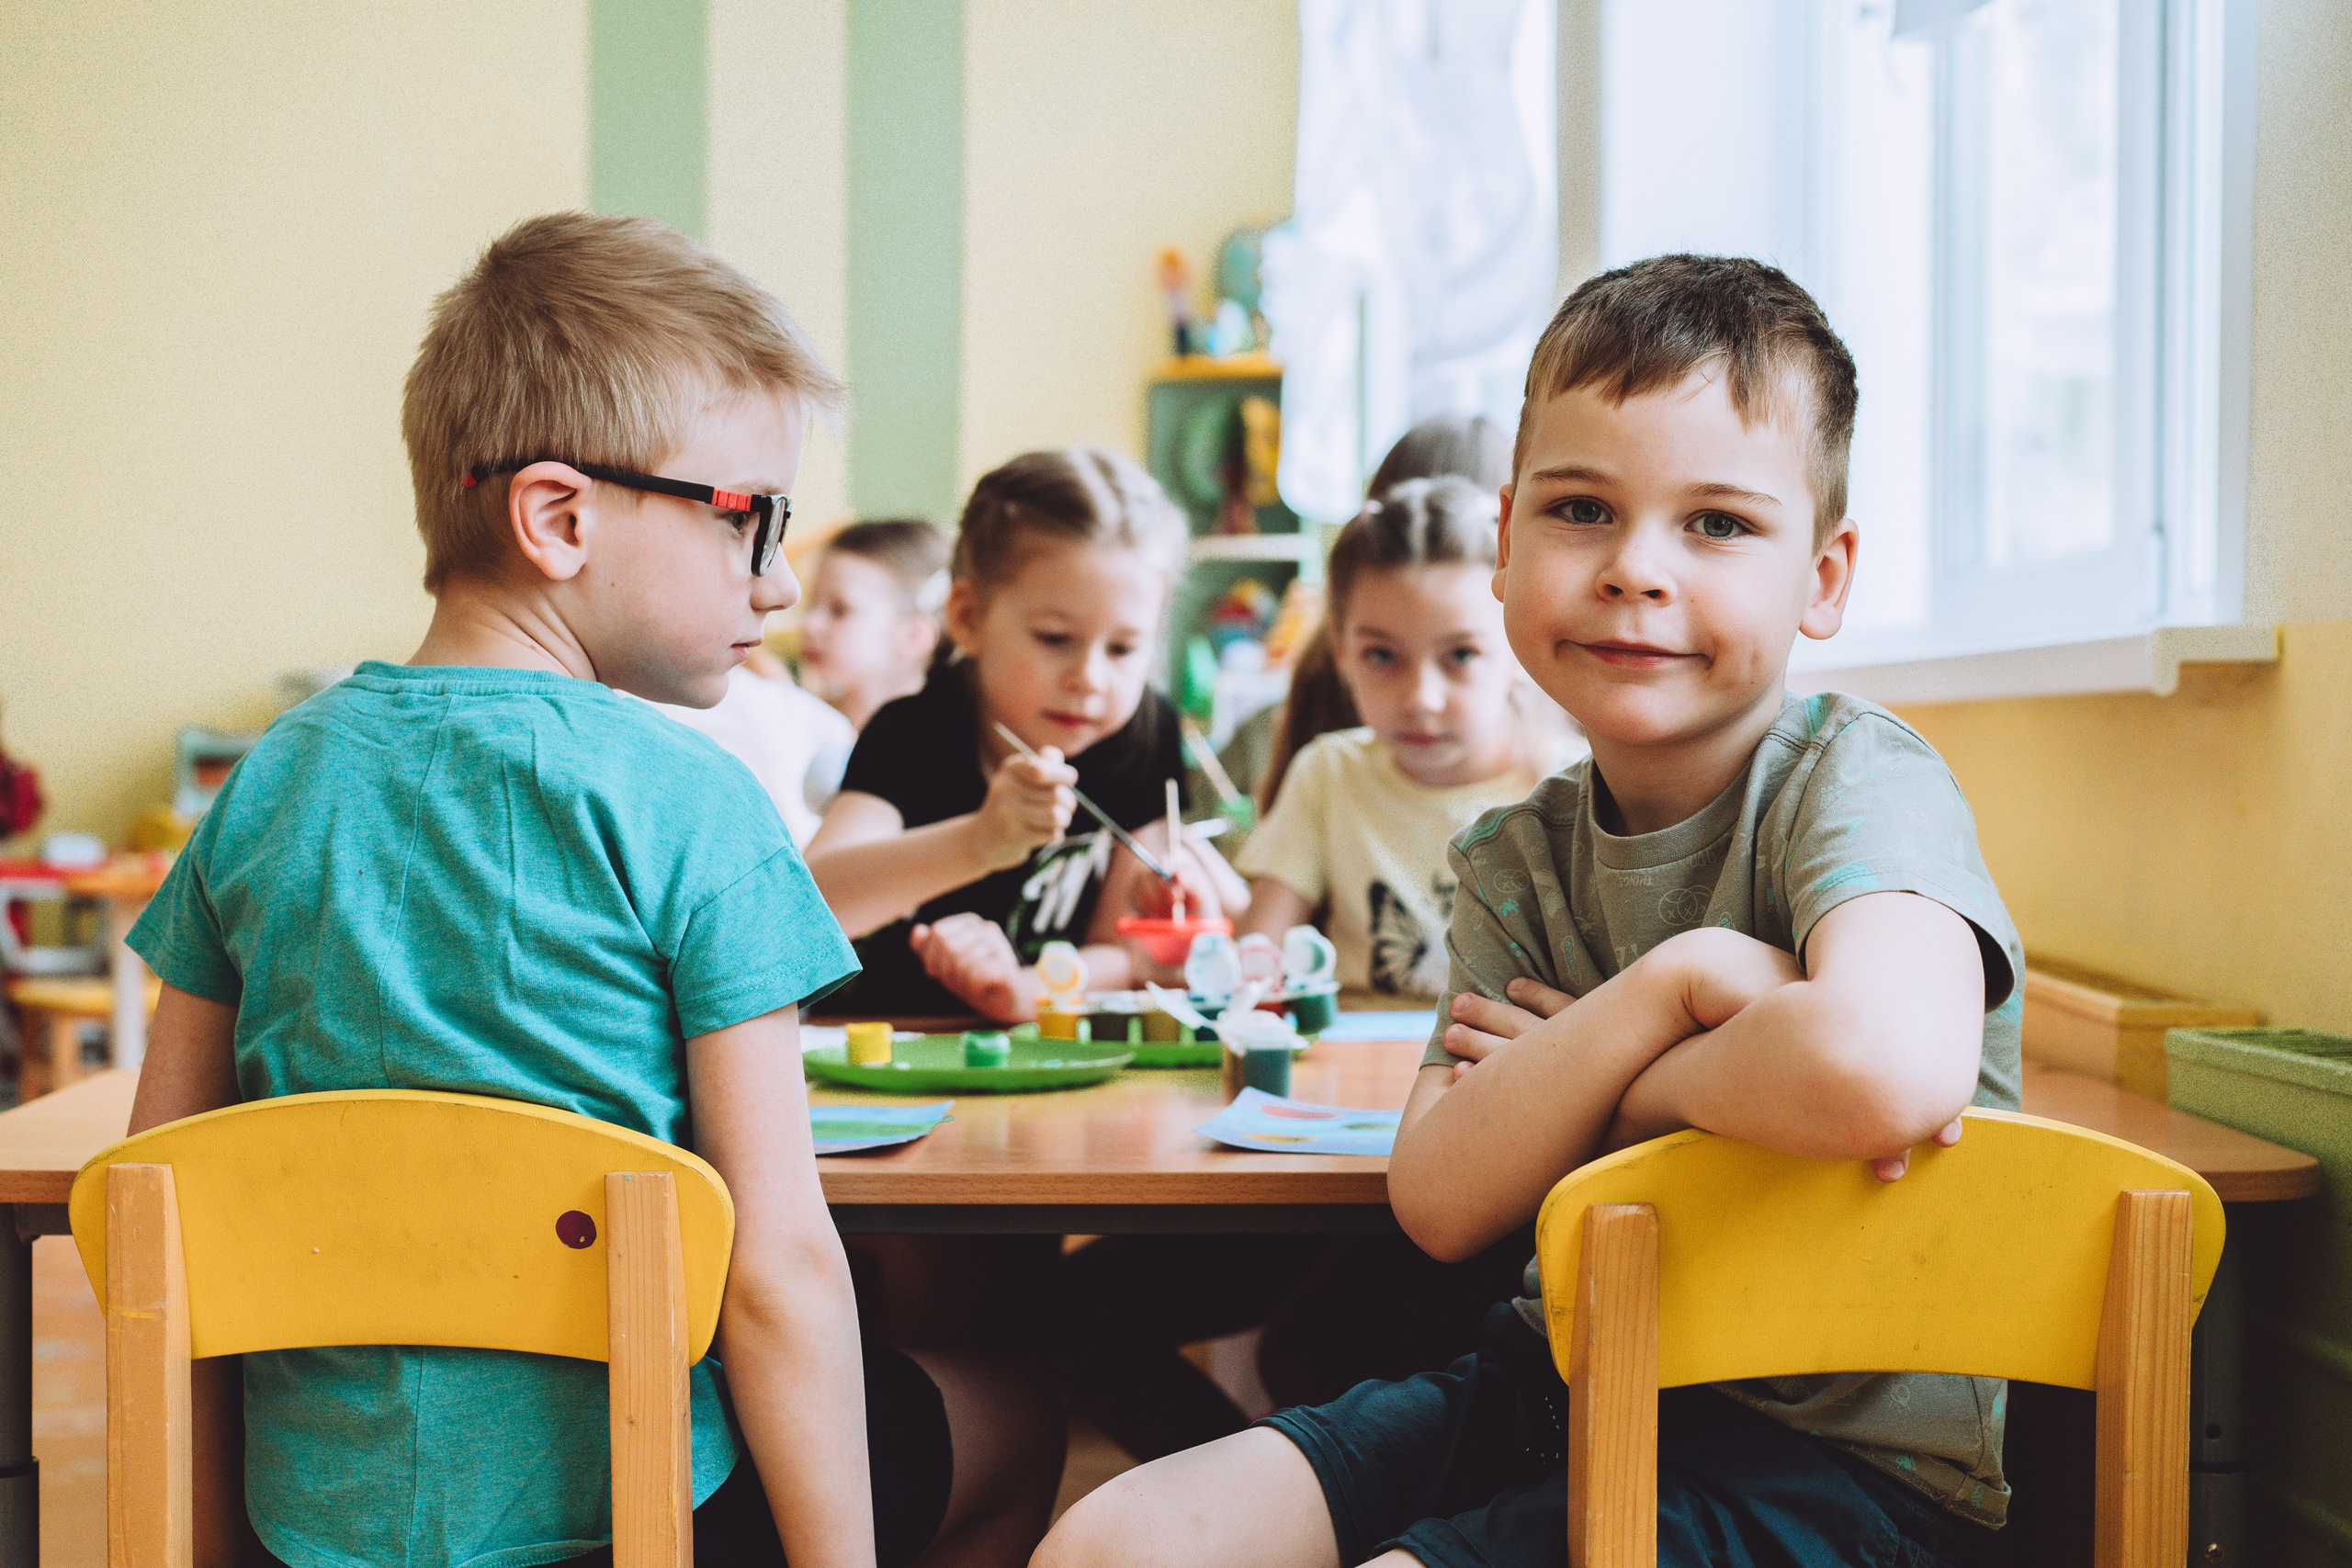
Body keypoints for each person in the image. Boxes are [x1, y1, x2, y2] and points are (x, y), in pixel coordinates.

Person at [1039, 253, 2023, 1568]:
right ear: (1504, 544)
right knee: (1113, 1541)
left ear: (1825, 577)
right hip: (1549, 1388)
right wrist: (1680, 985)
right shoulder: (1519, 855)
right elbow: (1444, 1194)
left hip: (1842, 1466)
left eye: (1718, 523)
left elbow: (1878, 1068)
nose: (1634, 568)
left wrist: (1589, 1084)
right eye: (1580, 508)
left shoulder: (1856, 778)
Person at [122, 213, 1061, 1568]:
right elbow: (777, 1267)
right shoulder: (693, 804)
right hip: (641, 1517)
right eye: (755, 518)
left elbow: (164, 1188)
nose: (784, 578)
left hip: (313, 1523)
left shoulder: (268, 785)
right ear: (558, 515)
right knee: (1018, 1414)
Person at [805, 447, 1242, 1022]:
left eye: (1123, 648)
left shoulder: (1144, 731)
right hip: (893, 1055)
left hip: (1061, 1057)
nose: (1089, 677)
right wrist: (979, 842)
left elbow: (1125, 950)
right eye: (1055, 638)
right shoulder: (912, 731)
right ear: (967, 618)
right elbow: (809, 906)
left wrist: (1024, 988)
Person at [1236, 475, 1550, 996]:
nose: (1420, 698)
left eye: (1461, 655)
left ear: (1519, 647)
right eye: (1381, 655)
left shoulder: (1574, 786)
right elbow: (1257, 956)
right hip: (1352, 1067)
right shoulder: (1327, 774)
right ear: (1341, 652)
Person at [798, 517, 953, 731]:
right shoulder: (798, 725)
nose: (810, 625)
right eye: (812, 603)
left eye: (839, 610)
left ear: (914, 636)